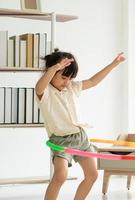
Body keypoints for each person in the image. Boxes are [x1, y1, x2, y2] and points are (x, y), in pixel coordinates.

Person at [35, 49, 125, 200]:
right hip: (61, 140)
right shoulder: (45, 92)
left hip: (81, 138)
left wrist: (114, 64)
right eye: (63, 77)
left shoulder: (72, 87)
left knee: (92, 175)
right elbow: (39, 87)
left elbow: (93, 81)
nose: (67, 82)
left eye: (70, 78)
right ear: (51, 71)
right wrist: (54, 68)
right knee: (60, 176)